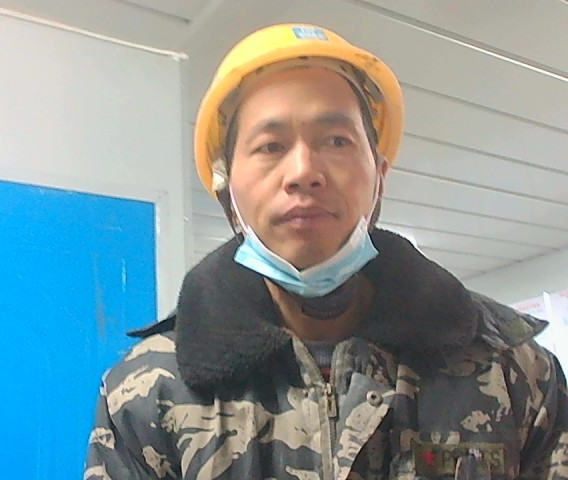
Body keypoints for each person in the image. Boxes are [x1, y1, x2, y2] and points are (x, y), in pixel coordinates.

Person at [84, 23, 568, 479]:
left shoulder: (512, 368)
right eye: (270, 146)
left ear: (379, 176)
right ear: (227, 188)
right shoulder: (147, 388)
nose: (303, 172)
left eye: (336, 140)